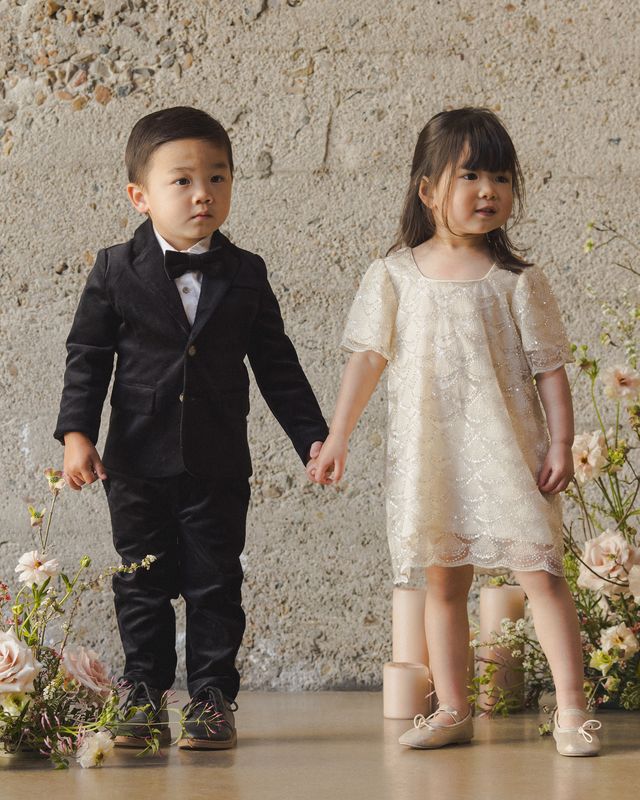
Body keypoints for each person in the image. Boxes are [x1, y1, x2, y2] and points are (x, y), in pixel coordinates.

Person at [308, 107, 601, 756]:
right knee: (443, 580)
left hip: (508, 455)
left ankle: (573, 709)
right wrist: (338, 436)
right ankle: (453, 709)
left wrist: (559, 444)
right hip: (430, 455)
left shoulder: (518, 283)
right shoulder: (393, 276)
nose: (489, 190)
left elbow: (551, 370)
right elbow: (367, 361)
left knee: (541, 574)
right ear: (428, 189)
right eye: (470, 175)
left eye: (501, 177)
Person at [54, 106, 328, 750]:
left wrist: (311, 437)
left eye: (218, 177)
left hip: (218, 460)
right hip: (135, 463)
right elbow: (87, 358)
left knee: (215, 583)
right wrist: (76, 435)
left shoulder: (246, 271)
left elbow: (277, 365)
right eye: (182, 180)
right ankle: (143, 693)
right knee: (141, 584)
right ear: (140, 196)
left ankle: (211, 698)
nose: (203, 192)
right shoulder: (114, 269)